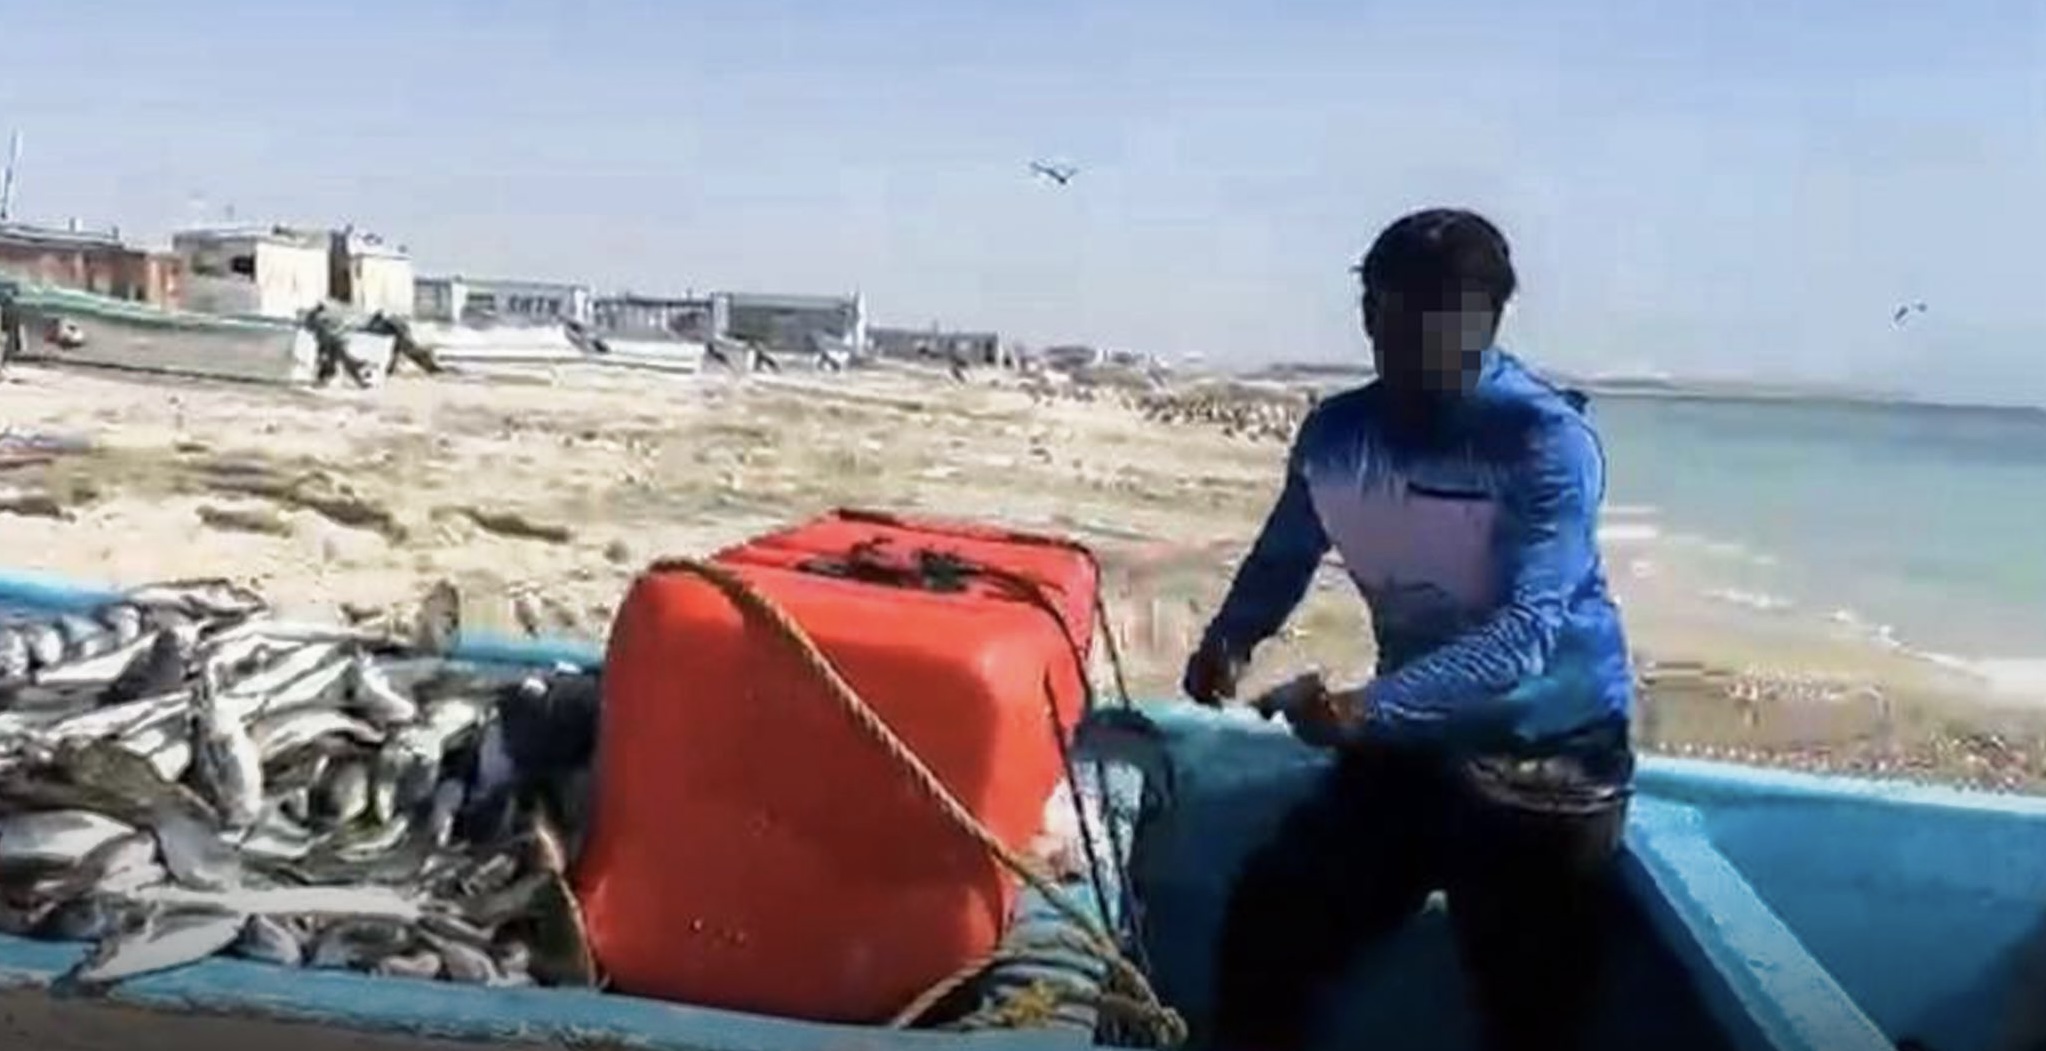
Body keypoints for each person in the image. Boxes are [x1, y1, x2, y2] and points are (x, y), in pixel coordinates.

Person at [1183, 207, 1635, 1051]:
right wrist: (1231, 638)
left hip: (1551, 759)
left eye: (1442, 313)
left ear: (1489, 319)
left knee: (1529, 1014)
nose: (1414, 335)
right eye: (1394, 310)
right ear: (1369, 313)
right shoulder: (1339, 432)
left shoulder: (1544, 439)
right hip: (1410, 748)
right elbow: (1287, 552)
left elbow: (1524, 636)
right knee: (1271, 919)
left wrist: (1365, 707)